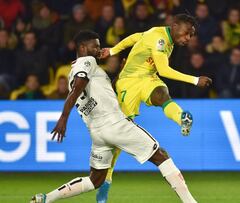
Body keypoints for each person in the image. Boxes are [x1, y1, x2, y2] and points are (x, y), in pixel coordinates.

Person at [31, 30, 197, 203]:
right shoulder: (86, 62)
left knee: (95, 180)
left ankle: (45, 198)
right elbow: (77, 88)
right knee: (160, 154)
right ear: (82, 47)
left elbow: (102, 92)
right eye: (94, 45)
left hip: (98, 133)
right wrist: (63, 118)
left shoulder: (75, 71)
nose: (98, 49)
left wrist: (120, 73)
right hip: (114, 123)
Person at [99, 13, 212, 203]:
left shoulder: (159, 34)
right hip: (129, 82)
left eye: (191, 35)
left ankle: (182, 118)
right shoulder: (160, 39)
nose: (187, 39)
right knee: (119, 134)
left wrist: (113, 51)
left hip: (148, 78)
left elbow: (136, 37)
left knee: (162, 95)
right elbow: (164, 70)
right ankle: (106, 180)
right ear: (174, 25)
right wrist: (195, 80)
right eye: (186, 34)